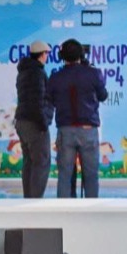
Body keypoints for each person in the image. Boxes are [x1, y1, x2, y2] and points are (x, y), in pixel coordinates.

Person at [46, 38, 107, 198]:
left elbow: (50, 99)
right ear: (81, 55)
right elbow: (103, 96)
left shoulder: (55, 77)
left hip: (65, 131)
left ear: (61, 56)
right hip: (88, 130)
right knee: (91, 176)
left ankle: (64, 210)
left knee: (64, 176)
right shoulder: (94, 73)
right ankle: (92, 209)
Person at [14, 40, 54, 198]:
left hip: (21, 121)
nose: (47, 57)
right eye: (47, 54)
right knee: (41, 163)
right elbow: (37, 102)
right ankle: (35, 202)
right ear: (42, 55)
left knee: (29, 162)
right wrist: (43, 124)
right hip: (34, 123)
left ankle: (28, 199)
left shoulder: (23, 72)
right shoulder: (37, 73)